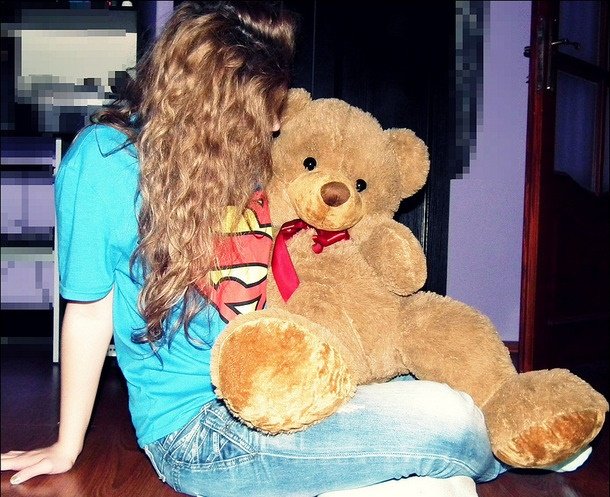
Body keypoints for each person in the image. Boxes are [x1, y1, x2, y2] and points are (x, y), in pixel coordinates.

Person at [1, 2, 508, 496]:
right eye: (266, 107)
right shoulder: (104, 162)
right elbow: (89, 312)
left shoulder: (246, 155)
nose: (275, 125)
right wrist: (67, 446)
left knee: (445, 404)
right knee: (453, 420)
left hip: (289, 381)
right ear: (217, 104)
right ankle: (492, 455)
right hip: (200, 432)